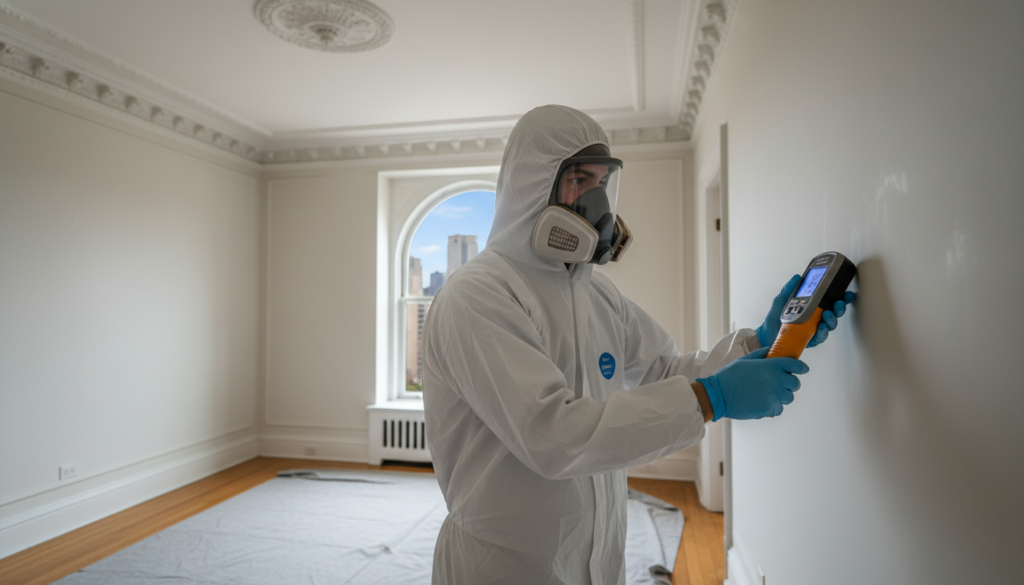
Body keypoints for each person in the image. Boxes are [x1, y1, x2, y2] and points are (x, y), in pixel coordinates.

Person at [421, 105, 853, 585]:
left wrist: (760, 341)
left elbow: (665, 370)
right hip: (503, 566)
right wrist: (713, 399)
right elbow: (552, 434)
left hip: (599, 556)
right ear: (530, 185)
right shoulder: (477, 295)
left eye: (604, 182)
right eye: (580, 179)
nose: (597, 199)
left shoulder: (596, 292)